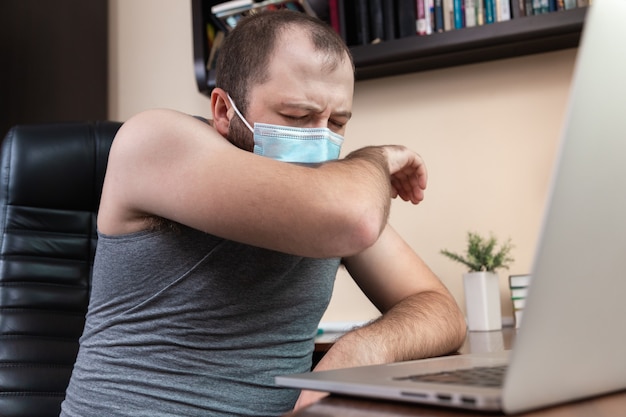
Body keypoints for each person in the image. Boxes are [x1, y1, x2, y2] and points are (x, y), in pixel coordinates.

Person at [60, 10, 466, 417]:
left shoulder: (332, 193)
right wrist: (376, 158)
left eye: (338, 122)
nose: (320, 137)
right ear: (223, 110)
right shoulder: (152, 140)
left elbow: (440, 310)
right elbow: (353, 216)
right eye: (297, 117)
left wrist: (363, 347)